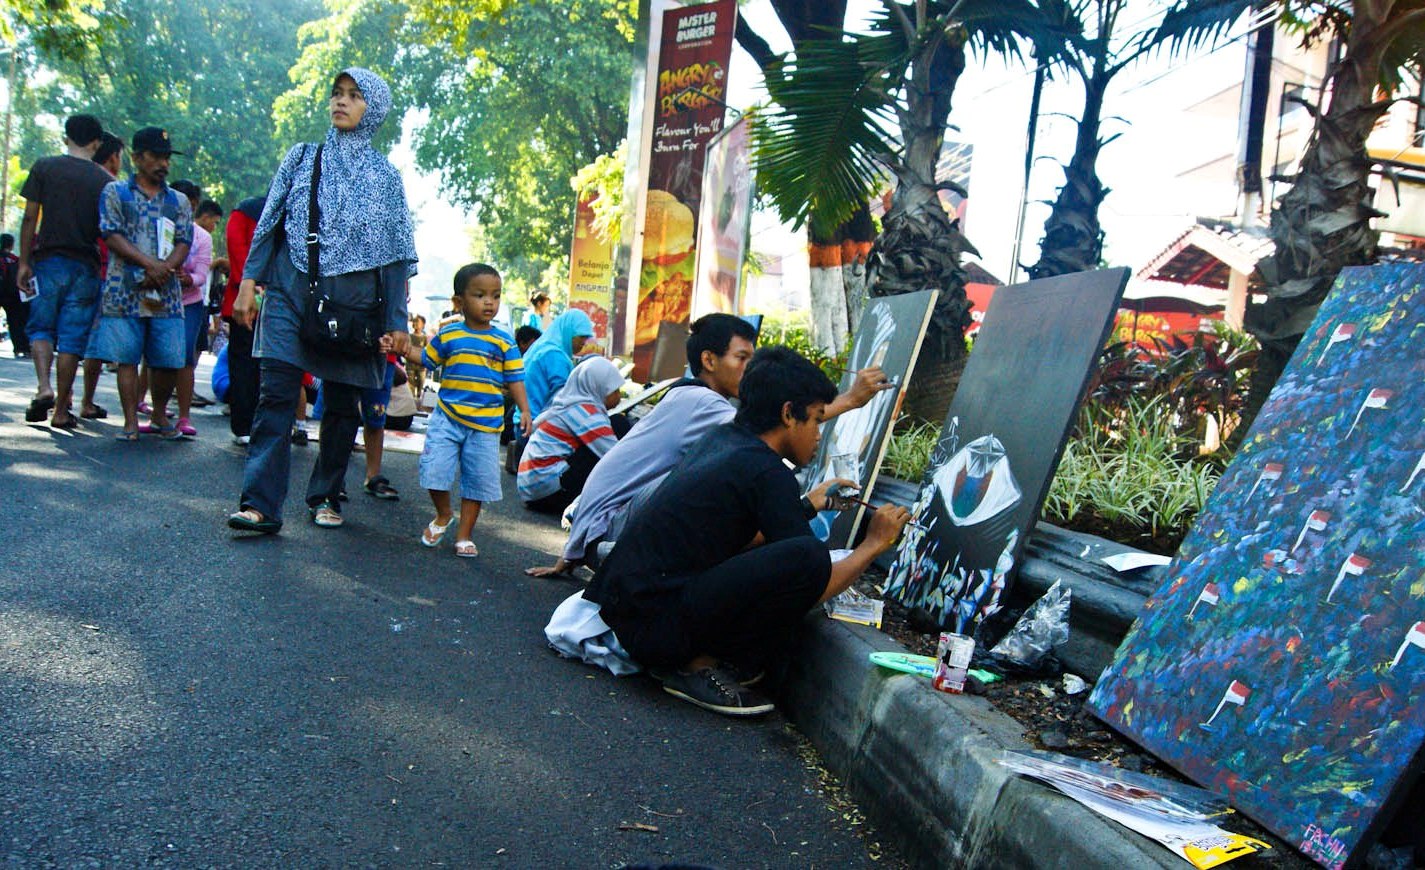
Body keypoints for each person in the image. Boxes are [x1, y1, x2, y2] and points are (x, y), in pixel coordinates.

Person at [583, 346, 912, 716]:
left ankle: (694, 656)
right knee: (810, 557)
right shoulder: (767, 472)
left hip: (632, 618)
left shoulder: (725, 439)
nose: (819, 435)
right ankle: (695, 666)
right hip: (658, 636)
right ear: (789, 414)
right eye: (818, 420)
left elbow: (732, 535)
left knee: (792, 553)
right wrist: (873, 544)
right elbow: (811, 580)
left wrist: (807, 505)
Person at [526, 313, 893, 578]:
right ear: (709, 360)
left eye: (753, 358)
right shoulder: (707, 406)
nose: (750, 369)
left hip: (597, 532)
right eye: (742, 358)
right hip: (613, 538)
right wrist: (851, 399)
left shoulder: (686, 396)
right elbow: (777, 425)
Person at [227, 67, 415, 534]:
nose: (341, 102)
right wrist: (249, 284)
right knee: (276, 393)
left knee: (342, 404)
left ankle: (326, 494)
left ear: (374, 108)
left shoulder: (386, 178)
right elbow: (270, 222)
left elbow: (394, 256)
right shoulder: (302, 158)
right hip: (293, 292)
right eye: (336, 94)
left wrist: (397, 323)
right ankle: (260, 505)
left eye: (354, 96)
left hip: (355, 309)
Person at [407, 263, 529, 558]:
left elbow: (514, 378)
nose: (490, 302)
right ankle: (443, 514)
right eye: (480, 295)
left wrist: (525, 410)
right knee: (434, 470)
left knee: (476, 481)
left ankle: (464, 535)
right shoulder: (449, 335)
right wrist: (399, 348)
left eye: (496, 296)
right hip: (448, 418)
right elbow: (425, 359)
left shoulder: (504, 340)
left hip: (485, 425)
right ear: (459, 302)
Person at [91, 126, 194, 441]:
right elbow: (111, 234)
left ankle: (161, 414)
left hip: (166, 292)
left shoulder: (178, 201)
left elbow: (183, 240)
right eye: (155, 156)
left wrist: (165, 268)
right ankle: (130, 420)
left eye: (166, 158)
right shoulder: (115, 193)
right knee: (127, 356)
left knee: (167, 357)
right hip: (125, 288)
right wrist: (149, 264)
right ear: (136, 158)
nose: (162, 163)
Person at [15, 114, 113, 427]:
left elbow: (30, 218)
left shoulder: (44, 167)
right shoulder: (105, 181)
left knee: (41, 327)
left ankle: (44, 387)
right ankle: (59, 411)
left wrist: (24, 261)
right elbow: (108, 231)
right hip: (86, 265)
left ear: (65, 136)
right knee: (73, 338)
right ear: (97, 143)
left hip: (48, 261)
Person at [518, 356, 627, 514]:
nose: (619, 396)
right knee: (618, 427)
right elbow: (616, 456)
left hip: (533, 489)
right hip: (546, 492)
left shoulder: (570, 404)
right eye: (614, 390)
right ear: (598, 388)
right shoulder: (587, 414)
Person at [77, 131, 127, 421]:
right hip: (104, 267)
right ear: (113, 157)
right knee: (95, 339)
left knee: (70, 335)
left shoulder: (71, 179)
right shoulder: (112, 187)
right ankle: (86, 400)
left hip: (72, 260)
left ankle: (63, 397)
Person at [221, 196, 265, 444]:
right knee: (244, 365)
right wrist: (250, 286)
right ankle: (243, 425)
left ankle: (260, 424)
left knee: (264, 368)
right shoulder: (246, 210)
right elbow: (238, 251)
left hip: (273, 302)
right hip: (245, 298)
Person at [521, 308, 593, 419]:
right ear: (568, 331)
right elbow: (563, 400)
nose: (584, 343)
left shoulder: (542, 348)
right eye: (581, 337)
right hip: (537, 424)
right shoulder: (555, 356)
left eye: (586, 338)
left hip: (527, 420)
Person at [0, 233, 26, 357]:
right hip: (11, 295)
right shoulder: (15, 260)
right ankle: (19, 347)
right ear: (11, 245)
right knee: (15, 321)